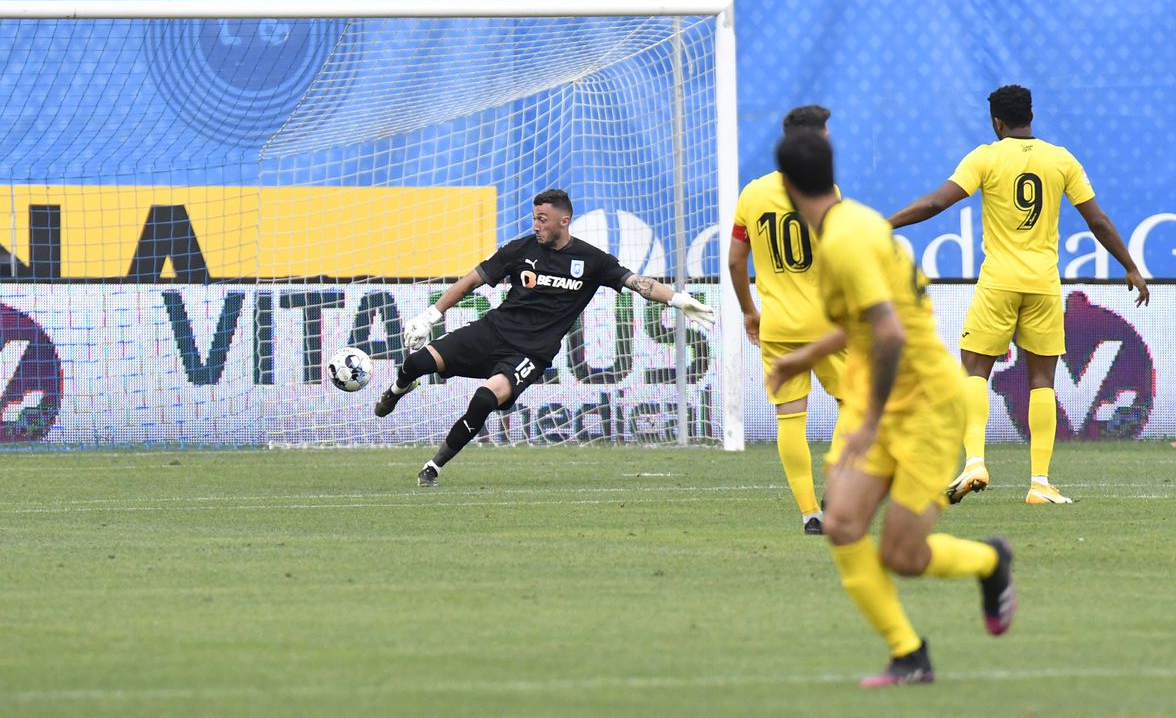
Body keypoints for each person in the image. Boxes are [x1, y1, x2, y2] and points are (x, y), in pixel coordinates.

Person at [769, 128, 1015, 687]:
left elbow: (888, 335)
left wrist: (872, 420)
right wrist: (800, 357)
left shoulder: (844, 241)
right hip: (875, 400)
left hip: (925, 404)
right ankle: (909, 654)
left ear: (784, 186)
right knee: (842, 524)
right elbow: (864, 321)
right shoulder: (857, 223)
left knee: (903, 556)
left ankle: (989, 561)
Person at [888, 85, 1149, 505]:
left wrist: (887, 223)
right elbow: (1097, 219)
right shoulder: (1060, 159)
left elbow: (937, 202)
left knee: (974, 368)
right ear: (1032, 116)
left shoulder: (986, 157)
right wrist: (1131, 267)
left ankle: (975, 461)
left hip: (999, 282)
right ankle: (1040, 483)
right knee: (1042, 379)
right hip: (1044, 284)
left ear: (996, 122)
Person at [374, 188, 716, 486]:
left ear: (563, 221)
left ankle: (432, 468)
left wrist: (676, 299)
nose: (536, 225)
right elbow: (472, 280)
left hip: (530, 354)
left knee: (483, 400)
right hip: (491, 332)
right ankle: (396, 391)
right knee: (417, 362)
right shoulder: (519, 249)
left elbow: (637, 282)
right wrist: (432, 314)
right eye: (534, 218)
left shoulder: (591, 260)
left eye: (542, 219)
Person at [728, 105, 847, 534]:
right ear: (817, 141)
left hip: (777, 323)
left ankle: (810, 513)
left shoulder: (752, 194)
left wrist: (749, 312)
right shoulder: (826, 192)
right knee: (856, 403)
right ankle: (837, 488)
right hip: (827, 324)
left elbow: (736, 262)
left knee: (790, 417)